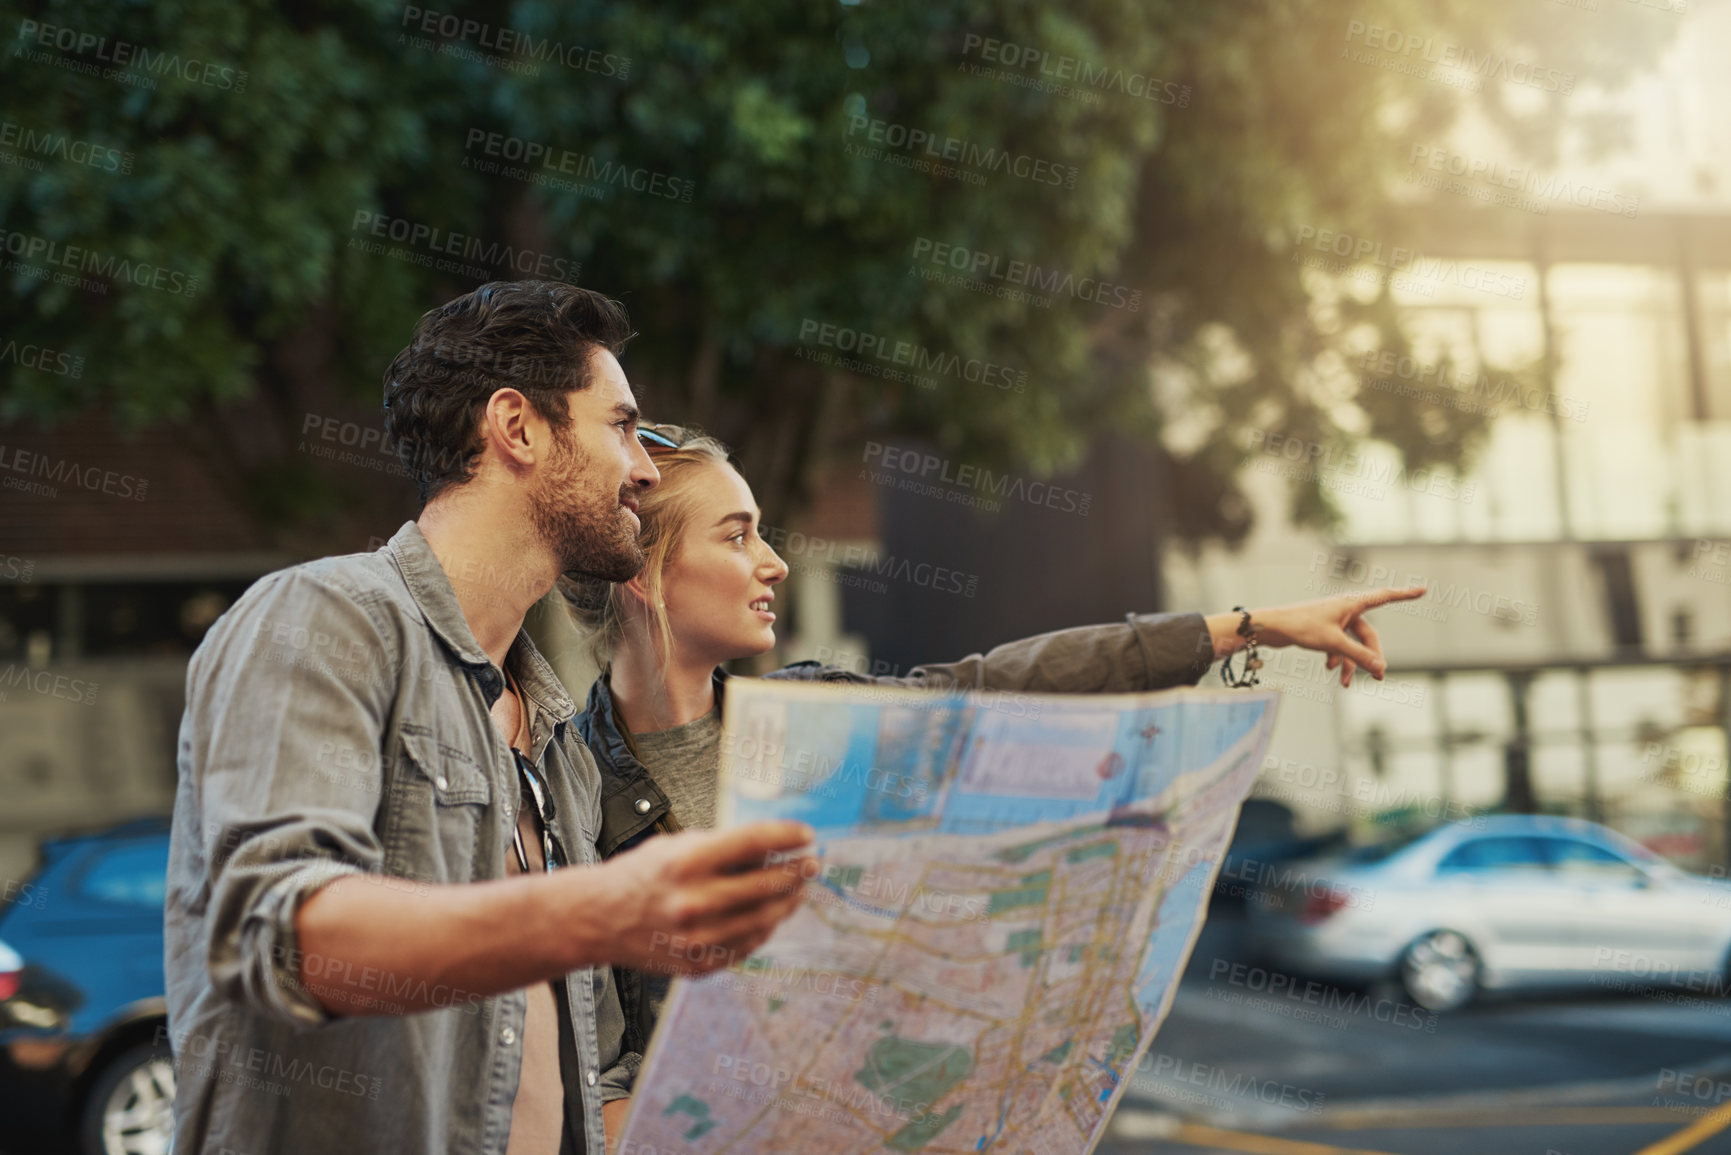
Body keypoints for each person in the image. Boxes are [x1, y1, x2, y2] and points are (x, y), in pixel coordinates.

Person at [564, 422, 1425, 1095]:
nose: (776, 562)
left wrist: (1251, 625)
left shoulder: (817, 726)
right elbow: (581, 1061)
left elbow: (1009, 682)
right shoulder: (561, 790)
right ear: (646, 572)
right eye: (737, 536)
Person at [164, 284, 813, 1155]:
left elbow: (583, 1079)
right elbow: (279, 936)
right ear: (518, 428)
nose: (647, 467)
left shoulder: (558, 743)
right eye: (620, 426)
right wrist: (600, 908)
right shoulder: (323, 618)